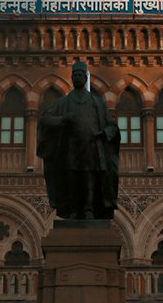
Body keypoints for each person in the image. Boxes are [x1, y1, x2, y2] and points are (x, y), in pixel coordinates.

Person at [37, 61, 119, 220]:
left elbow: (112, 126)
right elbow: (45, 119)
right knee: (72, 178)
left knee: (89, 178)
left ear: (85, 78)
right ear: (71, 78)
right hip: (71, 148)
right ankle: (73, 209)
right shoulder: (64, 102)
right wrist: (62, 120)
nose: (77, 77)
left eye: (80, 75)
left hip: (91, 147)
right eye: (75, 75)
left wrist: (104, 134)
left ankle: (89, 209)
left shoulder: (97, 102)